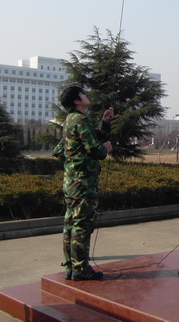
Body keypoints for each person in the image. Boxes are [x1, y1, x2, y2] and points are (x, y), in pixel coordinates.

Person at [53, 86, 113, 281]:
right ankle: (80, 268)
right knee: (82, 224)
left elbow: (62, 149)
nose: (87, 95)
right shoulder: (81, 120)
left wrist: (105, 123)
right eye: (83, 94)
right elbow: (95, 149)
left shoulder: (70, 120)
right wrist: (105, 148)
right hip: (83, 181)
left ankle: (71, 266)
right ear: (77, 101)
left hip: (71, 180)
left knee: (71, 223)